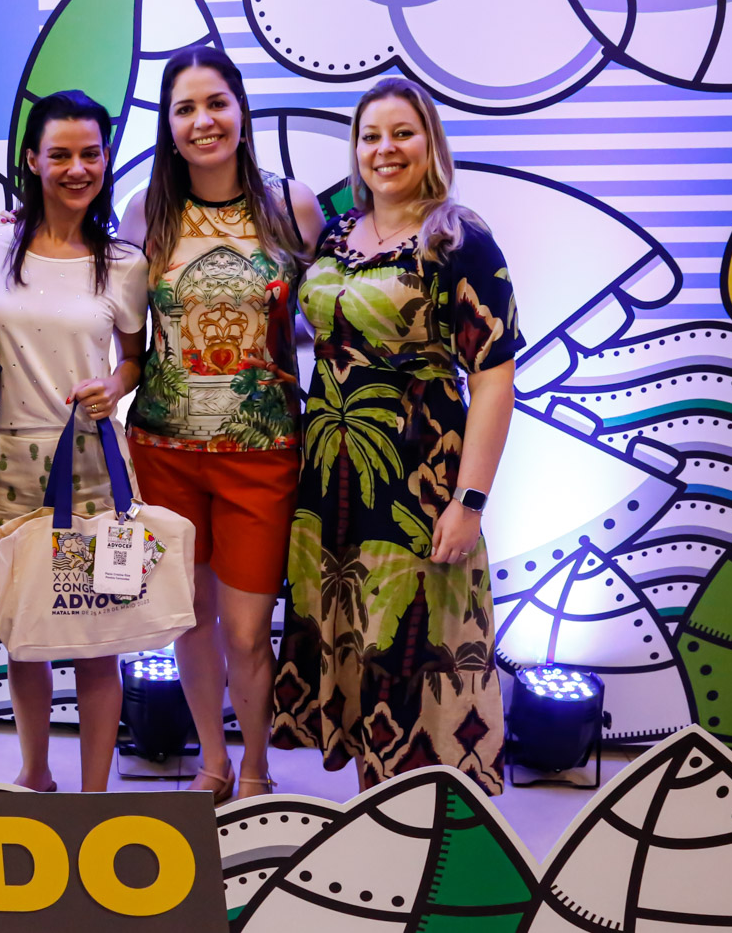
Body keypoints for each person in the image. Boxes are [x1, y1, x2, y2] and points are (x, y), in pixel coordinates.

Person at [270, 78, 522, 796]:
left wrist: (469, 502)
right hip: (331, 481)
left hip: (417, 479)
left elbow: (494, 377)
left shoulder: (458, 238)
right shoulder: (335, 234)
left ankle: (419, 820)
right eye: (370, 135)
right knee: (354, 638)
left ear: (430, 142)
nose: (385, 149)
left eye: (402, 133)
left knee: (411, 645)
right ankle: (369, 809)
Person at [118, 46, 325, 801]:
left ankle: (257, 766)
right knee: (188, 621)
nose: (202, 121)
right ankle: (213, 762)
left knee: (244, 630)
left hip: (261, 453)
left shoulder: (291, 206)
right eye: (184, 109)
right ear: (168, 126)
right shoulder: (145, 210)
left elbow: (332, 311)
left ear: (240, 110)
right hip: (163, 450)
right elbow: (111, 313)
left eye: (215, 103)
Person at [0, 90, 149, 793]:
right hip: (5, 466)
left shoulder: (123, 262)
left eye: (90, 153)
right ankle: (35, 775)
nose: (77, 168)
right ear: (33, 161)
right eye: (60, 154)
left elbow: (135, 358)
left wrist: (114, 385)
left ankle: (93, 797)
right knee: (26, 634)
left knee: (97, 639)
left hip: (90, 466)